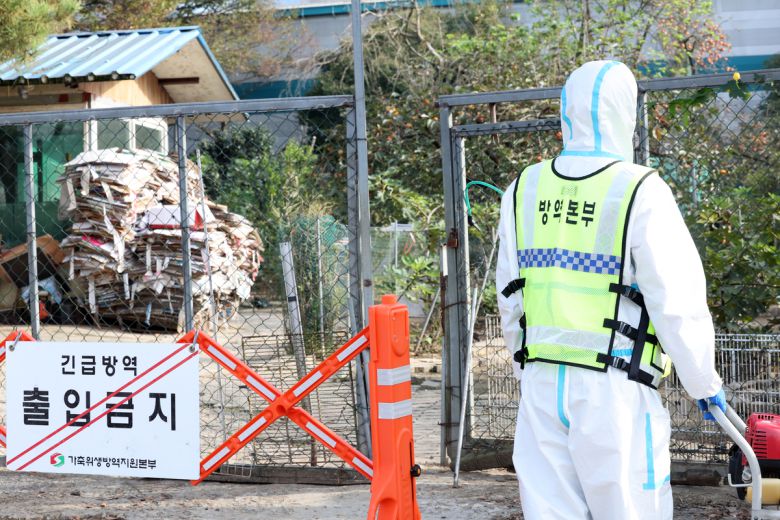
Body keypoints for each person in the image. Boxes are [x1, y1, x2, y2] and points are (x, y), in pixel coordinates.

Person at [495, 60, 726, 520]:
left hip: (541, 387)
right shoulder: (641, 188)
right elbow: (675, 299)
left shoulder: (524, 188)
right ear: (626, 115)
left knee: (550, 511)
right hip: (614, 390)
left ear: (565, 112)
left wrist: (528, 371)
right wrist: (703, 382)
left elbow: (511, 298)